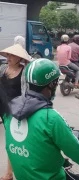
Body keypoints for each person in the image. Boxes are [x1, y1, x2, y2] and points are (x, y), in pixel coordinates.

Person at [2, 58, 79, 180]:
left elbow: (27, 147)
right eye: (56, 82)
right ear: (52, 84)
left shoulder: (10, 111)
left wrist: (60, 160)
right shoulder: (50, 117)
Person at [0, 42, 31, 180]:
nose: (9, 57)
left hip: (18, 112)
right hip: (4, 111)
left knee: (15, 143)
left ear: (19, 58)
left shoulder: (24, 72)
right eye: (8, 55)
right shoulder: (2, 69)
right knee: (11, 142)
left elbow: (28, 93)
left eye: (12, 55)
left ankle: (11, 173)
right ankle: (10, 172)